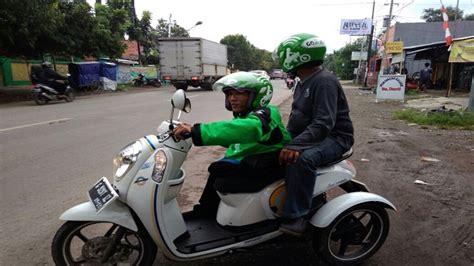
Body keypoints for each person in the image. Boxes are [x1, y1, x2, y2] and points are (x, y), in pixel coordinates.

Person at [173, 71, 291, 217]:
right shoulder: (244, 116)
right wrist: (193, 134)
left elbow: (249, 128)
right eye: (229, 94)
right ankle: (206, 210)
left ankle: (206, 211)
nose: (232, 99)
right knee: (217, 168)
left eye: (239, 94)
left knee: (219, 168)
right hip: (252, 159)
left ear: (257, 96)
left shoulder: (267, 113)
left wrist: (198, 130)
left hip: (266, 163)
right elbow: (234, 136)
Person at [273, 33, 354, 236]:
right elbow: (297, 119)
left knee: (302, 160)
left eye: (285, 55)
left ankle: (297, 216)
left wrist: (295, 146)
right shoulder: (303, 82)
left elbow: (324, 123)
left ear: (298, 57)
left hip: (335, 138)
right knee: (269, 150)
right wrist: (280, 139)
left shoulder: (324, 81)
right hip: (314, 135)